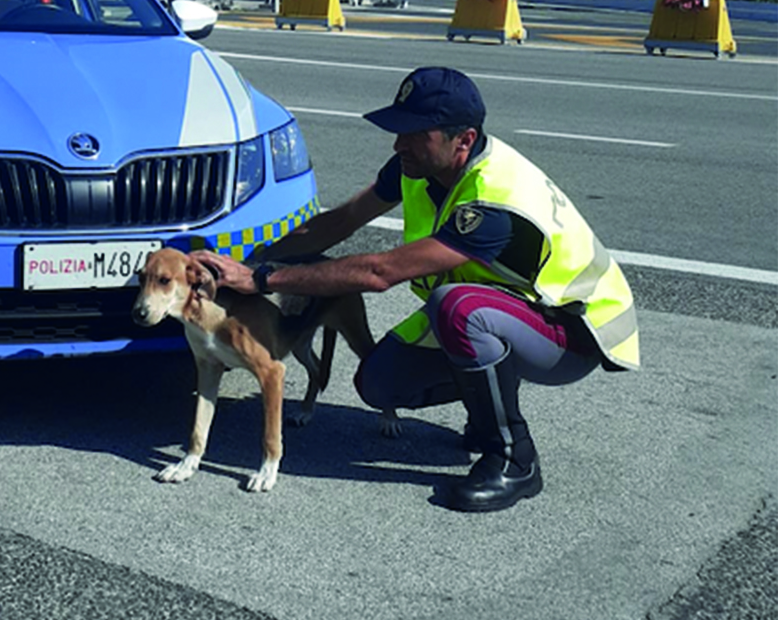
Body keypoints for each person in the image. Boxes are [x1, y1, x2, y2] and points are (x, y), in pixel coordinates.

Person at [192, 66, 638, 512]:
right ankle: (489, 400)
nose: (398, 143)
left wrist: (263, 281)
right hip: (507, 310)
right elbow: (340, 221)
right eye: (398, 130)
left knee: (460, 308)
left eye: (414, 133)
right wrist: (253, 263)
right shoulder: (417, 166)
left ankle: (513, 458)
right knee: (378, 384)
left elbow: (380, 273)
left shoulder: (492, 201)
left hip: (573, 328)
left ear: (463, 140)